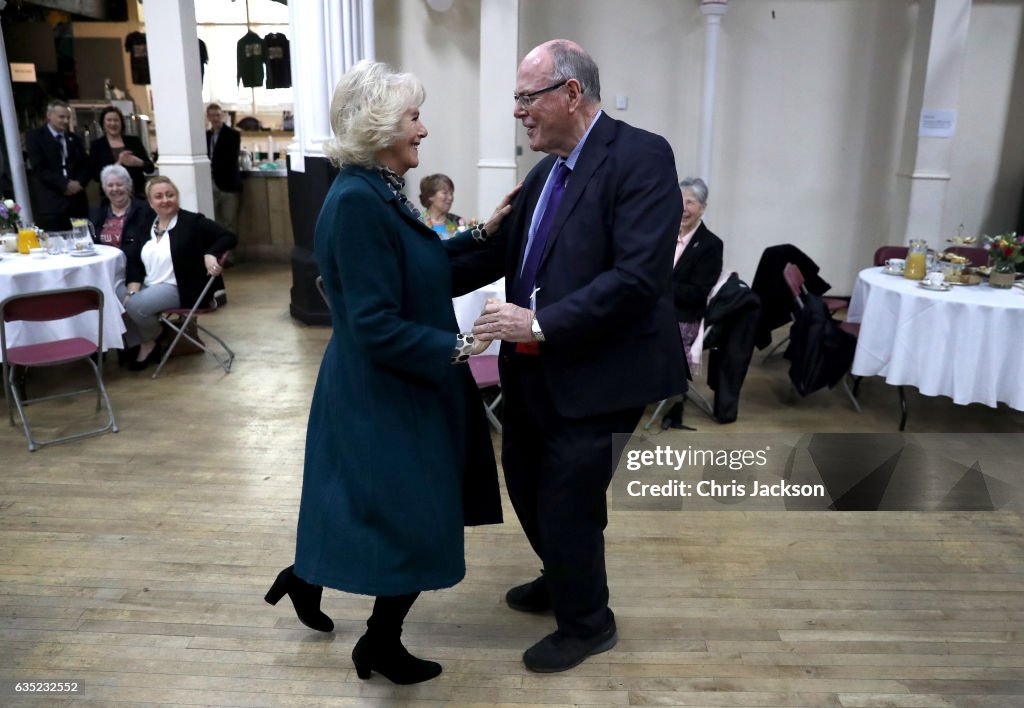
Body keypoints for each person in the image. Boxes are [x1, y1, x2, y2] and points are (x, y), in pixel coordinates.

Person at [264, 60, 514, 685]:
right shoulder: (356, 203)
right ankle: (377, 641)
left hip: (393, 386)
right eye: (413, 117)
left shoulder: (376, 191)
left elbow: (423, 268)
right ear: (379, 129)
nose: (423, 130)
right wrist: (463, 347)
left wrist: (485, 232)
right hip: (383, 392)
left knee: (386, 512)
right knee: (409, 519)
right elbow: (374, 323)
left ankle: (320, 591)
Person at [470, 40, 685, 672]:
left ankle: (589, 622)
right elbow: (501, 252)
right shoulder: (545, 172)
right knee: (529, 485)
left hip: (604, 372)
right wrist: (417, 256)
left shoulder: (641, 156)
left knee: (567, 498)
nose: (518, 112)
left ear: (570, 93)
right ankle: (562, 574)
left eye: (525, 97)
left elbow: (639, 278)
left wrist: (539, 321)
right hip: (536, 366)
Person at [116, 176, 236, 371]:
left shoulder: (192, 222)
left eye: (170, 195)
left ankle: (154, 337)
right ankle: (145, 341)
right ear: (150, 202)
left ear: (177, 197)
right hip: (149, 284)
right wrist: (133, 290)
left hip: (179, 287)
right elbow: (135, 261)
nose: (165, 200)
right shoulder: (147, 224)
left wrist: (211, 254)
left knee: (136, 307)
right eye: (159, 196)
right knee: (115, 296)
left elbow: (228, 237)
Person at [662, 177, 723, 429]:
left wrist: (658, 288)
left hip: (684, 315)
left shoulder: (710, 245)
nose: (684, 208)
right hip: (654, 307)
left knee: (665, 337)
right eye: (680, 201)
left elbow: (697, 292)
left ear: (703, 208)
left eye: (691, 202)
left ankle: (676, 403)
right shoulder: (662, 234)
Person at [24, 99, 90, 231]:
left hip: (77, 204)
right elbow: (39, 168)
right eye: (61, 117)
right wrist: (64, 184)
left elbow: (86, 166)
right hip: (52, 204)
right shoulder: (35, 137)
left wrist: (79, 183)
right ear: (49, 115)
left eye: (67, 117)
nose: (65, 121)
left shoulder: (74, 139)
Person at [89, 105, 154, 198]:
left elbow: (150, 168)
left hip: (137, 194)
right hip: (111, 197)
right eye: (109, 120)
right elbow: (96, 176)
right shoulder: (97, 145)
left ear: (121, 123)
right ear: (103, 124)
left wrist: (139, 163)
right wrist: (119, 163)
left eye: (116, 120)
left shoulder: (134, 141)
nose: (113, 123)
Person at [88, 164, 155, 251]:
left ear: (129, 186)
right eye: (110, 185)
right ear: (104, 189)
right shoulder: (96, 214)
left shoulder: (145, 211)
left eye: (119, 184)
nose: (115, 189)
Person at [205, 103, 242, 233]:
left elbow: (231, 158)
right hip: (210, 185)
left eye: (218, 115)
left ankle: (230, 253)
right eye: (212, 115)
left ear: (223, 116)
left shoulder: (233, 135)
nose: (215, 118)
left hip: (227, 184)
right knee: (214, 222)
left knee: (229, 222)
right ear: (208, 117)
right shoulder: (206, 136)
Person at [419, 173, 462, 238]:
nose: (450, 198)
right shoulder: (419, 223)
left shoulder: (458, 222)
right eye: (445, 193)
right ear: (430, 195)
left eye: (451, 193)